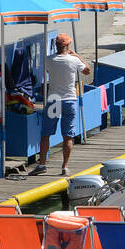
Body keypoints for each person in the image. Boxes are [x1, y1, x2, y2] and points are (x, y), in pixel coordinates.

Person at [34, 32, 90, 177]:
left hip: (54, 99)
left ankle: (42, 164)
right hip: (69, 100)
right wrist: (77, 55)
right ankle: (64, 166)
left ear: (56, 46)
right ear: (67, 45)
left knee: (46, 134)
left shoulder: (48, 60)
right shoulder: (74, 60)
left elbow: (44, 72)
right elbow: (87, 71)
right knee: (68, 136)